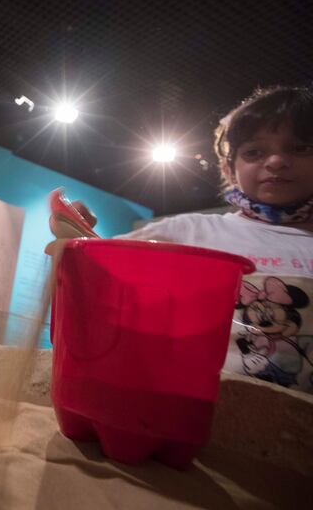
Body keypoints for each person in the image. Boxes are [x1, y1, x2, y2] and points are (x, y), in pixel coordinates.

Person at [51, 85, 313, 393]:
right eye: (254, 152)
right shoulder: (187, 233)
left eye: (298, 148)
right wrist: (80, 235)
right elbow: (99, 272)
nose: (276, 162)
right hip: (193, 416)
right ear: (230, 168)